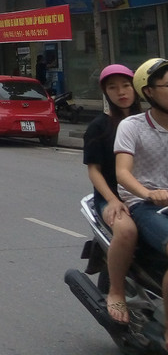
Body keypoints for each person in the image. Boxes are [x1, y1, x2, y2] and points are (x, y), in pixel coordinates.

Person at [116, 57, 168, 348]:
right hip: (147, 205)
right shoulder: (132, 126)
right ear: (148, 91)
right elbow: (122, 172)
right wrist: (148, 193)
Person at [83, 64, 141, 325]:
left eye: (126, 85)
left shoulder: (150, 121)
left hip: (149, 193)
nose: (121, 92)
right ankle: (116, 292)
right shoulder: (99, 127)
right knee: (126, 230)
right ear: (105, 93)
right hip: (111, 196)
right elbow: (94, 171)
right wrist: (113, 199)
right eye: (113, 87)